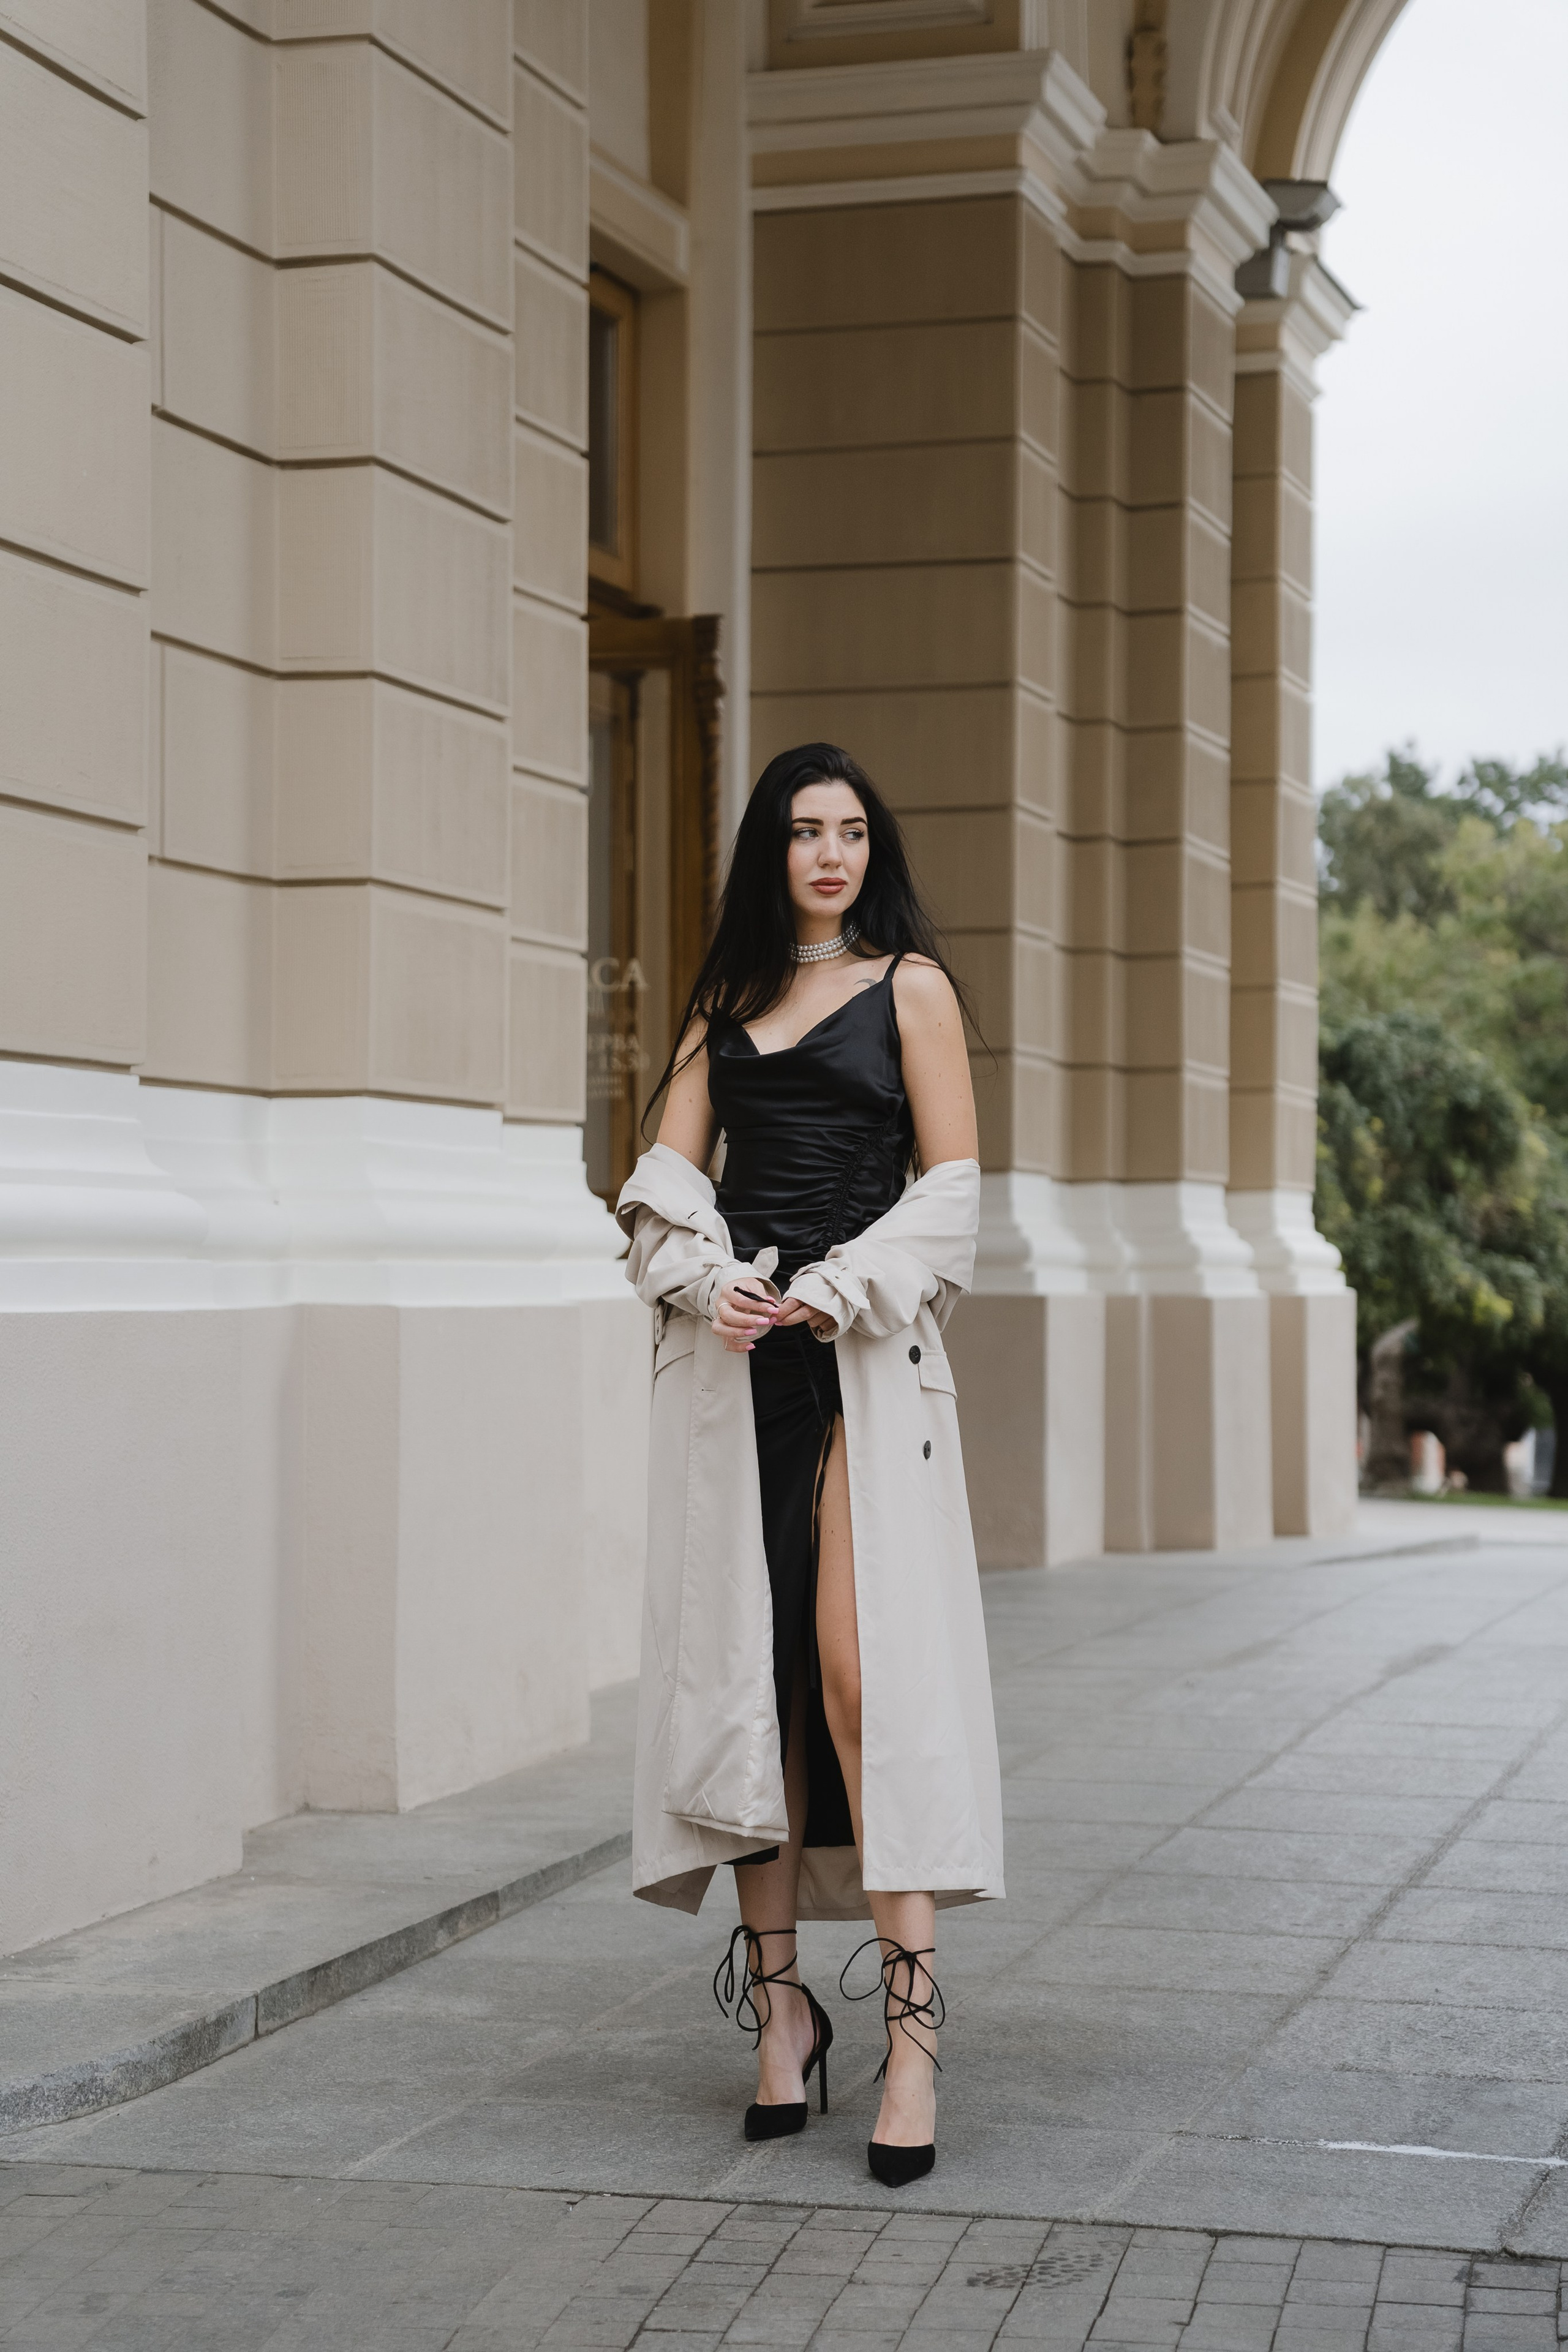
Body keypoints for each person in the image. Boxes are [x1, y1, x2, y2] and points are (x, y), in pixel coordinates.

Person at [616, 743, 1003, 2187]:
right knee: (754, 1687)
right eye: (801, 833)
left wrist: (843, 1283)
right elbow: (660, 1188)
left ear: (870, 848)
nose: (829, 855)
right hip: (740, 1384)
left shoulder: (911, 988)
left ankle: (909, 2033)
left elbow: (953, 1192)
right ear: (767, 856)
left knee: (856, 1674)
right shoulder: (719, 1009)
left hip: (856, 1365)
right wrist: (696, 1276)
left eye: (848, 831)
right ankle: (780, 2016)